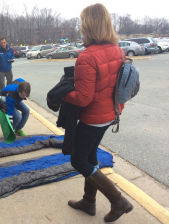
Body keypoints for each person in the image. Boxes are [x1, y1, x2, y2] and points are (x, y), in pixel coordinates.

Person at [62, 3, 133, 222]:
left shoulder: (87, 57)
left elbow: (83, 98)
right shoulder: (117, 50)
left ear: (89, 26)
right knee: (90, 157)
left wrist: (63, 93)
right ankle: (88, 202)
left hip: (92, 119)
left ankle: (119, 201)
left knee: (78, 160)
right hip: (111, 115)